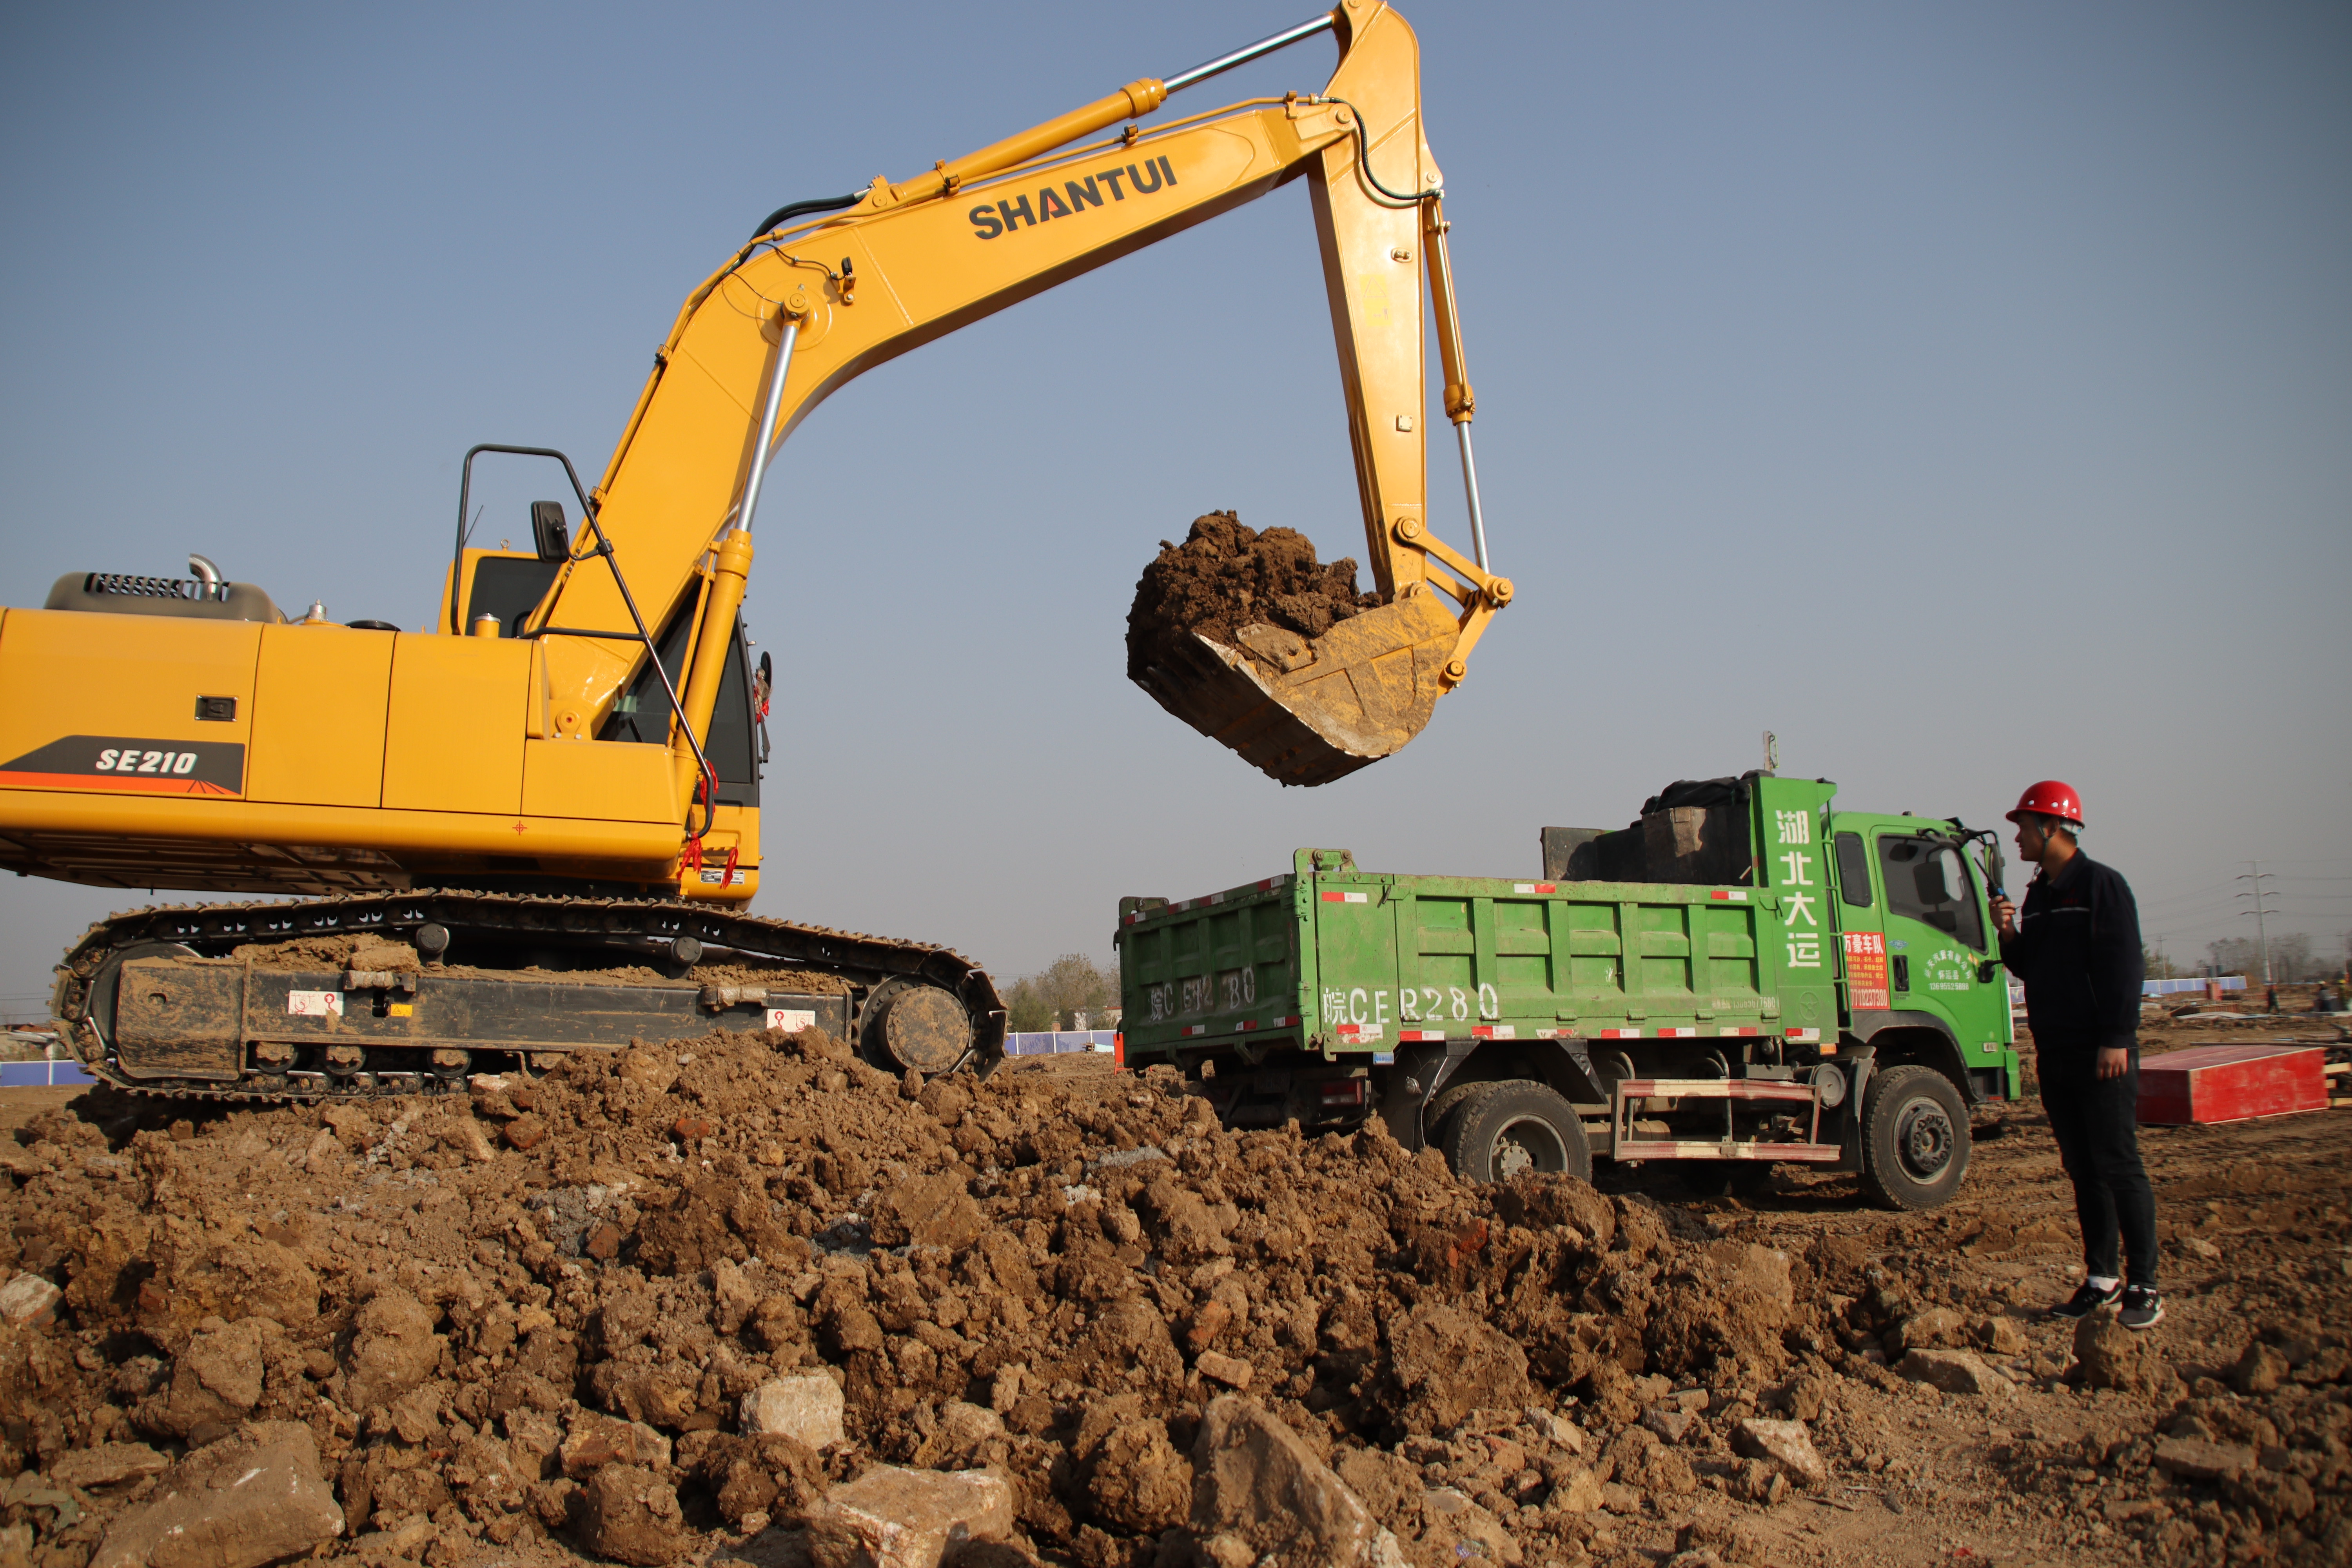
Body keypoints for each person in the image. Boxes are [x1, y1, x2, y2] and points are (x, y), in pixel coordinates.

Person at [1988, 780, 2162, 1330]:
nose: (2018, 838)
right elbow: (2031, 968)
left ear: (2052, 827)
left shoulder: (2101, 886)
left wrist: (2117, 1036)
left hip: (2100, 1051)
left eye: (2023, 827)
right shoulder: (2039, 896)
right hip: (2057, 1050)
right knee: (2083, 1168)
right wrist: (2009, 934)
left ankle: (2145, 1284)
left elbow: (2124, 966)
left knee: (2119, 1164)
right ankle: (2101, 1279)